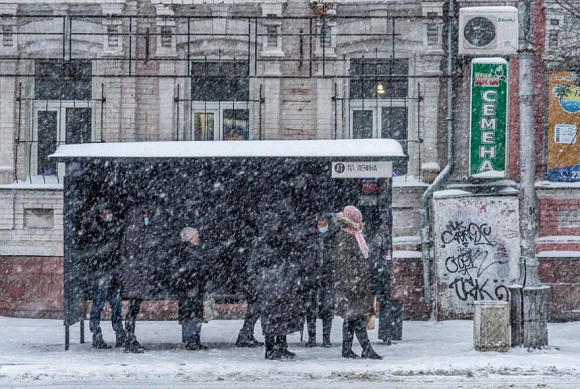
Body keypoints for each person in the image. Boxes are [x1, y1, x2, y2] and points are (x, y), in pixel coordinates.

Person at [249, 207, 302, 360]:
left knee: (283, 318)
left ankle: (281, 346)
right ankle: (270, 348)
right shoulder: (260, 244)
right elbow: (253, 268)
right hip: (269, 288)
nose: (277, 226)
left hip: (282, 286)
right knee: (270, 319)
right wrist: (262, 282)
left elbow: (287, 261)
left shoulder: (280, 241)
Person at [334, 205, 382, 360]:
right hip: (352, 286)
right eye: (358, 220)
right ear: (350, 221)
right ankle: (366, 349)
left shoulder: (355, 236)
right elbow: (344, 264)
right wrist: (352, 283)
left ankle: (348, 350)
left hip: (358, 284)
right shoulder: (345, 237)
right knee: (356, 317)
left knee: (352, 318)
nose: (361, 223)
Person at [87, 203, 126, 349]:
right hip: (102, 273)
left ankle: (119, 335)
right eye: (106, 212)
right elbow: (96, 252)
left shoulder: (111, 228)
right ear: (100, 214)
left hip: (112, 273)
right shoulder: (95, 230)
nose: (109, 214)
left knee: (116, 305)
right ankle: (97, 337)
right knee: (99, 305)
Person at [303, 214, 335, 348]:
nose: (322, 227)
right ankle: (312, 338)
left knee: (327, 308)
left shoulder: (332, 239)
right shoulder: (311, 239)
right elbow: (306, 259)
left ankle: (326, 338)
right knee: (311, 309)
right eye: (320, 225)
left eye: (324, 225)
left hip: (327, 278)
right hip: (312, 278)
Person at [177, 227, 210, 351]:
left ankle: (193, 339)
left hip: (192, 288)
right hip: (192, 288)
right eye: (196, 235)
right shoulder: (189, 252)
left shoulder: (189, 251)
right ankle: (192, 340)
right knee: (193, 315)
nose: (198, 237)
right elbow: (190, 270)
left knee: (193, 315)